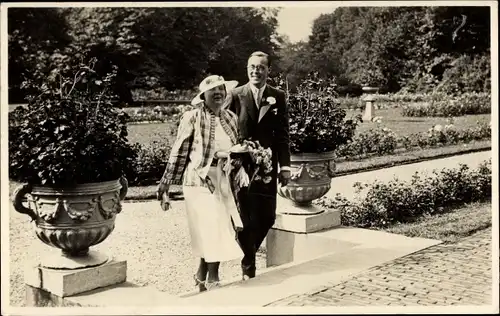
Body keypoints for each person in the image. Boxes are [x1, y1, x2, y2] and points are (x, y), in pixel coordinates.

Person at [156, 75, 244, 292]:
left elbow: (237, 148)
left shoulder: (231, 118)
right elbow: (180, 151)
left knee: (217, 227)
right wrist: (166, 183)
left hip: (223, 179)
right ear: (203, 96)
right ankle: (214, 278)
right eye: (212, 91)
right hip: (198, 181)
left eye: (221, 90)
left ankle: (200, 275)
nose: (218, 94)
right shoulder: (193, 116)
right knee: (213, 226)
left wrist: (240, 158)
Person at [227, 51, 292, 280]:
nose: (256, 71)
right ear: (247, 69)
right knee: (246, 217)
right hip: (241, 167)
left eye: (261, 67)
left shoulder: (278, 96)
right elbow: (226, 128)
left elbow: (282, 134)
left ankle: (248, 253)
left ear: (268, 70)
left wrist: (285, 166)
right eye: (252, 66)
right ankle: (249, 267)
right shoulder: (235, 95)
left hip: (267, 167)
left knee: (267, 217)